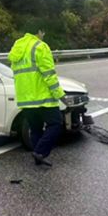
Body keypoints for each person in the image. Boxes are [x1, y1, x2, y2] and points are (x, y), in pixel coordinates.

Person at [8, 30, 68, 167]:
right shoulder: (40, 46)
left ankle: (37, 158)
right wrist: (60, 95)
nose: (44, 35)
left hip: (25, 99)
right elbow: (49, 75)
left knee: (35, 129)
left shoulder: (17, 47)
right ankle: (40, 152)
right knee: (56, 124)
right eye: (43, 32)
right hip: (43, 98)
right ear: (39, 31)